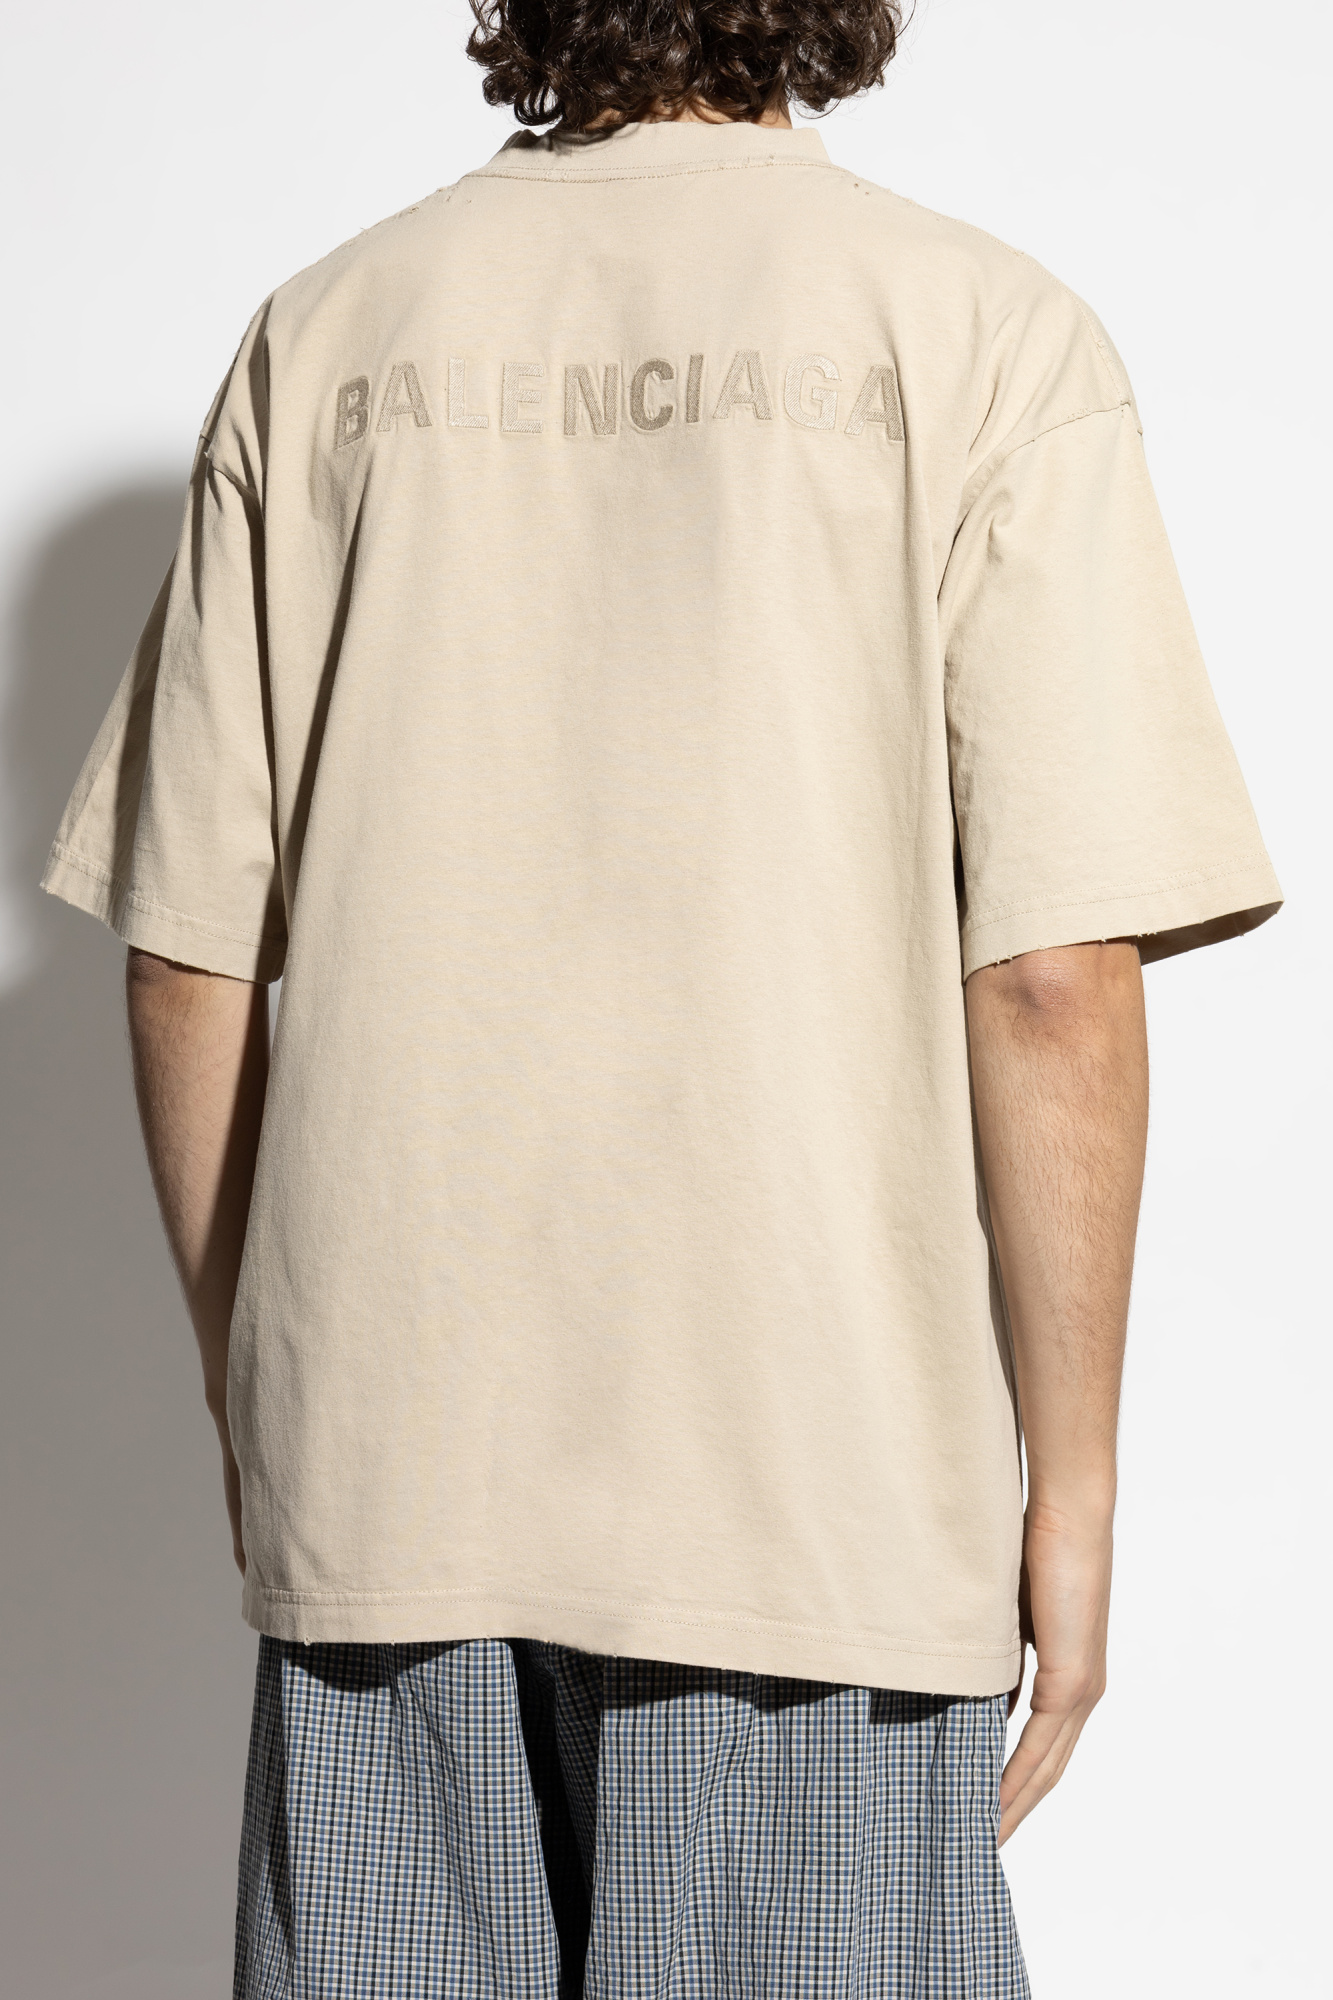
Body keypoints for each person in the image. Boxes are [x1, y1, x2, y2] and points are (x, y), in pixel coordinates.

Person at [41, 0, 1281, 1989]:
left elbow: (190, 953)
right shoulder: (983, 334)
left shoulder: (325, 334)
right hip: (818, 1492)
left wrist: (260, 1395)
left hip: (397, 1469)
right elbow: (1053, 980)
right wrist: (1076, 1486)